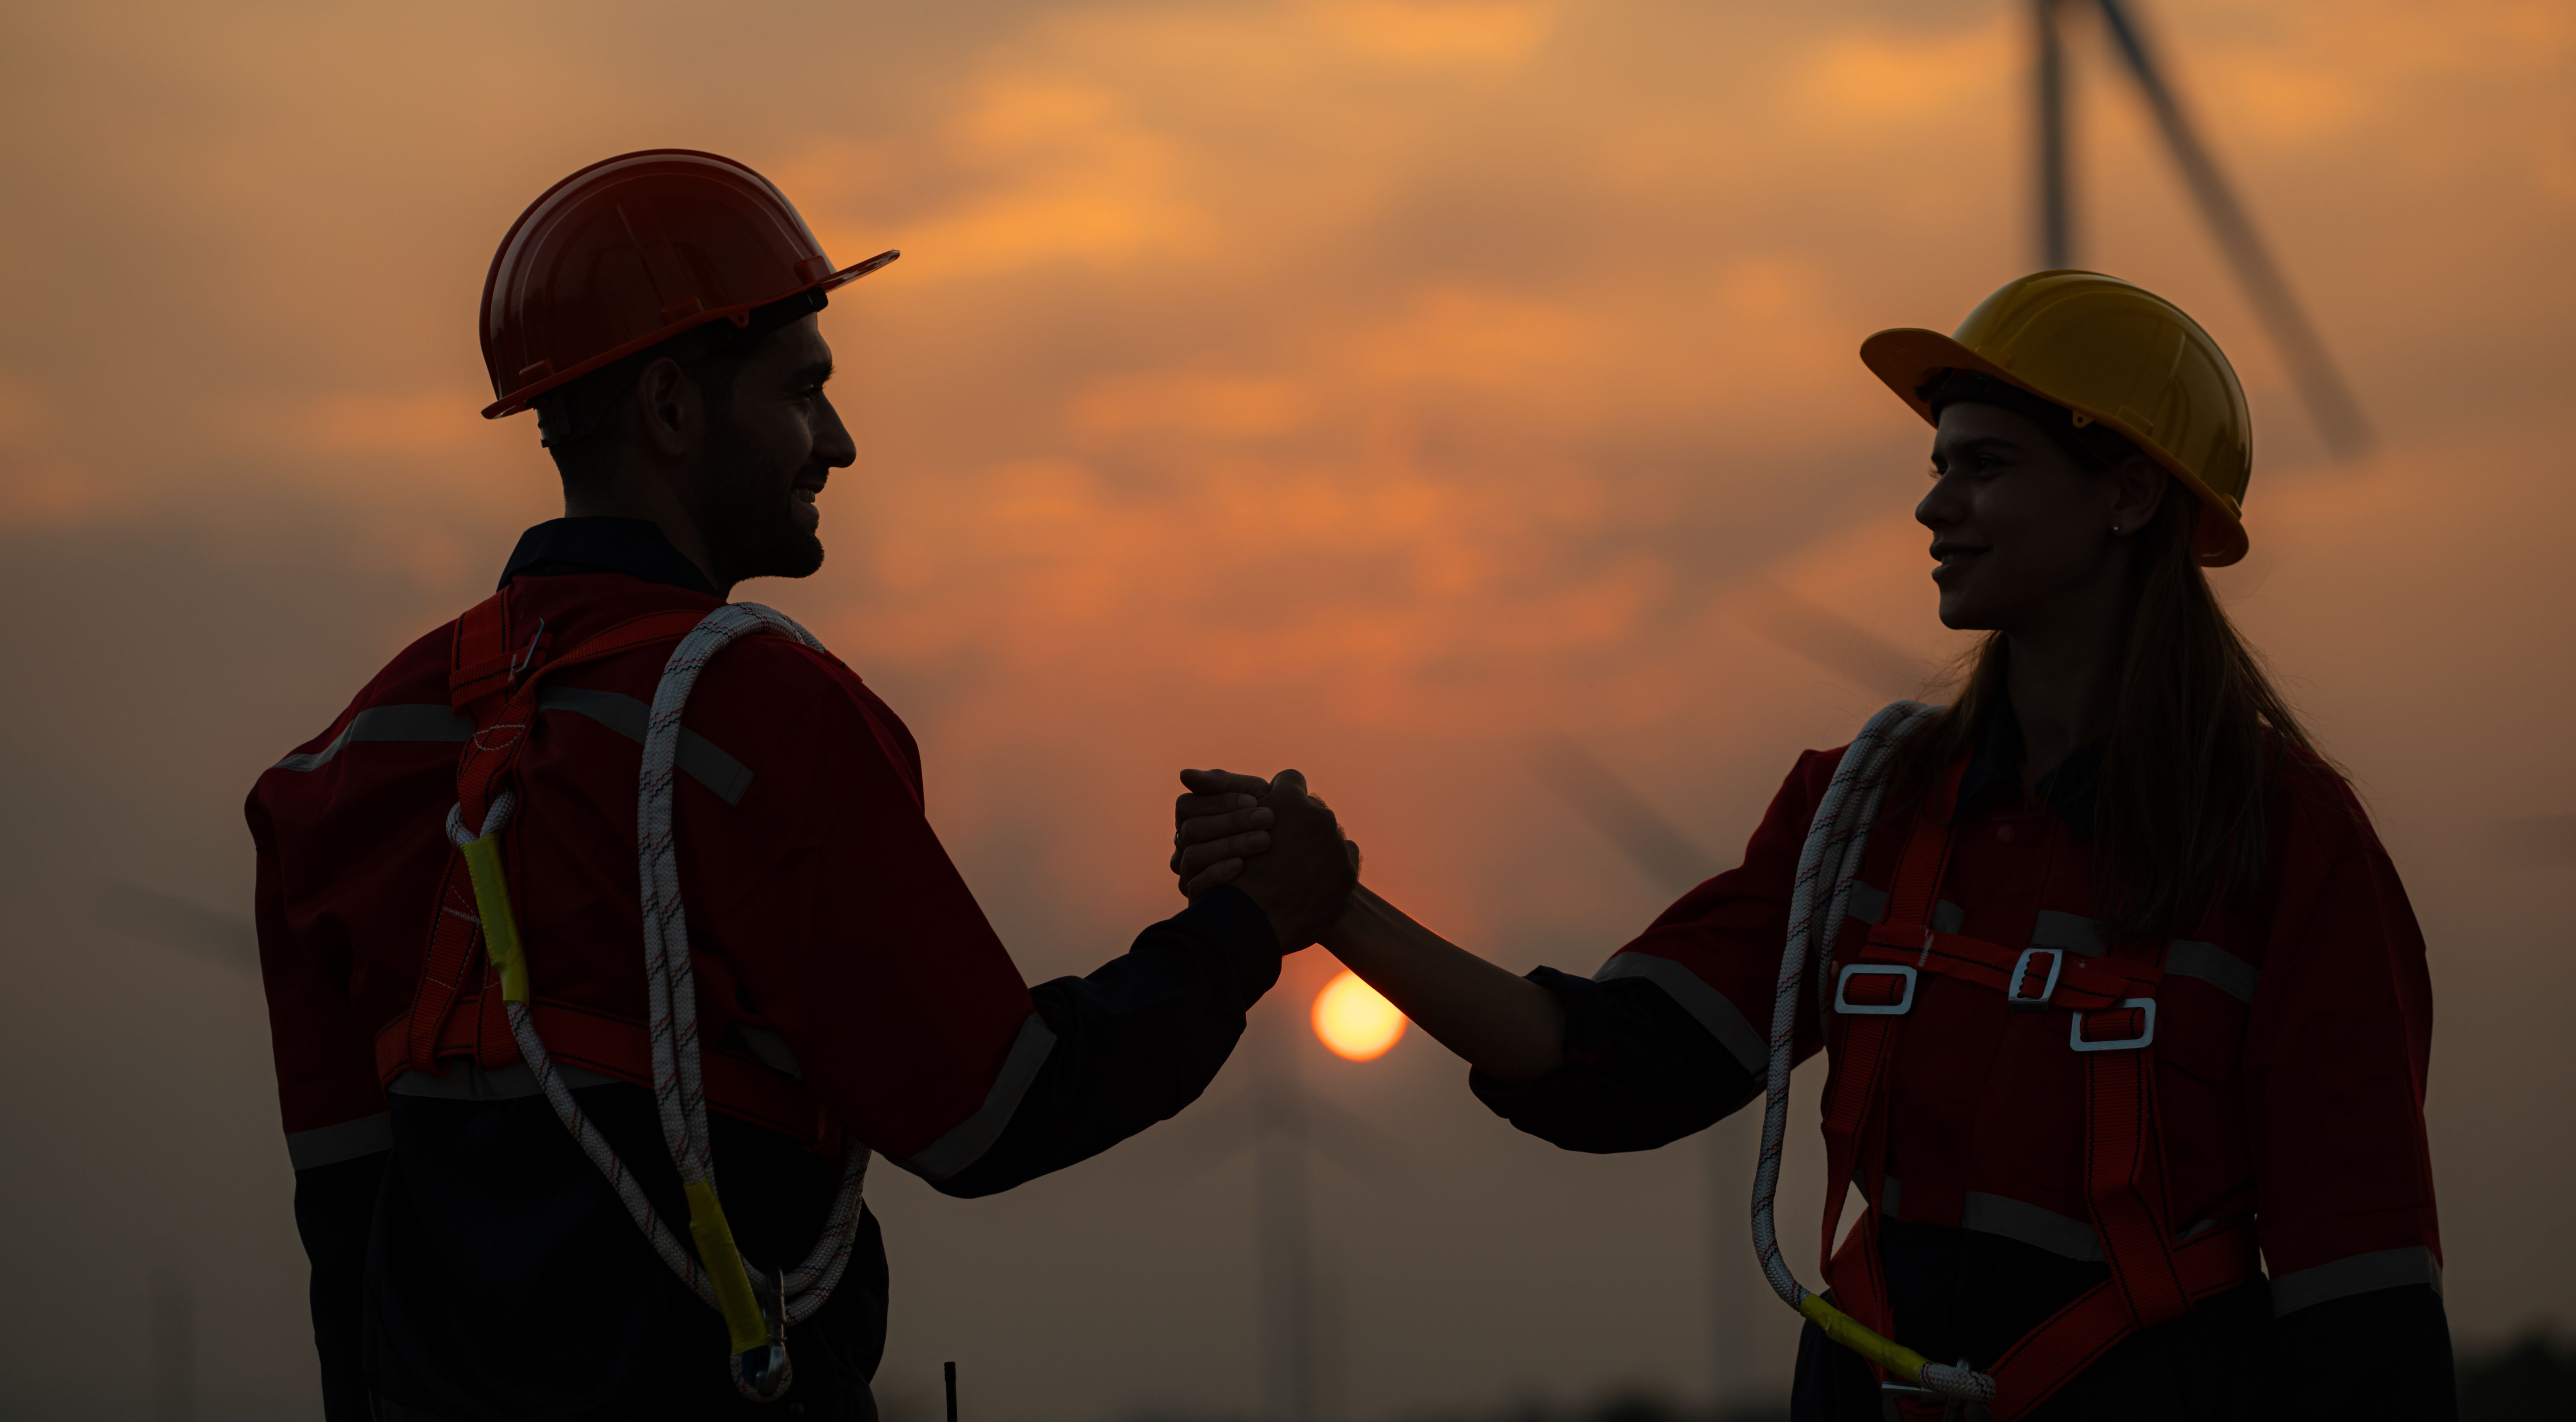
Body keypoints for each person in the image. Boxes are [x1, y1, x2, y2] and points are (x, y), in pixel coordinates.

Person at [1174, 271, 2454, 1420]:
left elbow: (2366, 1301)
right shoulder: (1865, 808)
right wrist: (1338, 909)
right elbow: (1612, 1064)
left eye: (1986, 466)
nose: (1932, 504)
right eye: (1941, 461)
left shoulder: (2286, 842)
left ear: (2128, 494)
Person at [251, 149, 1348, 1422]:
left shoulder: (339, 769)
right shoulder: (755, 714)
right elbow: (993, 1114)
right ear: (671, 409)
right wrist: (1250, 927)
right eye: (803, 392)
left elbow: (346, 1233)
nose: (837, 441)